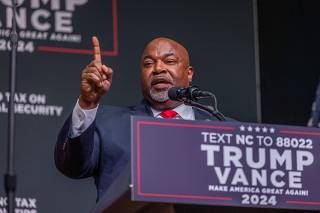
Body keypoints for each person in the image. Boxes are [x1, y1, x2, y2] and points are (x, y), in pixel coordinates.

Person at [54, 36, 225, 202]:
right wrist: (87, 103)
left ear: (189, 74)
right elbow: (72, 166)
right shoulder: (107, 123)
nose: (158, 68)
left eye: (170, 61)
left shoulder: (226, 132)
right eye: (148, 64)